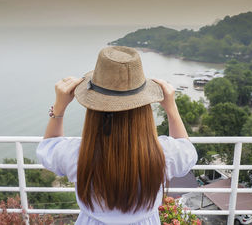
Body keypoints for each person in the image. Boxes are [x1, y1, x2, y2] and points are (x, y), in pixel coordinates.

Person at [37, 46, 197, 224]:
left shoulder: (76, 154)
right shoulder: (163, 154)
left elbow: (48, 147)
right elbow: (186, 148)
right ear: (144, 107)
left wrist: (59, 108)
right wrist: (171, 107)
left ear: (94, 109)